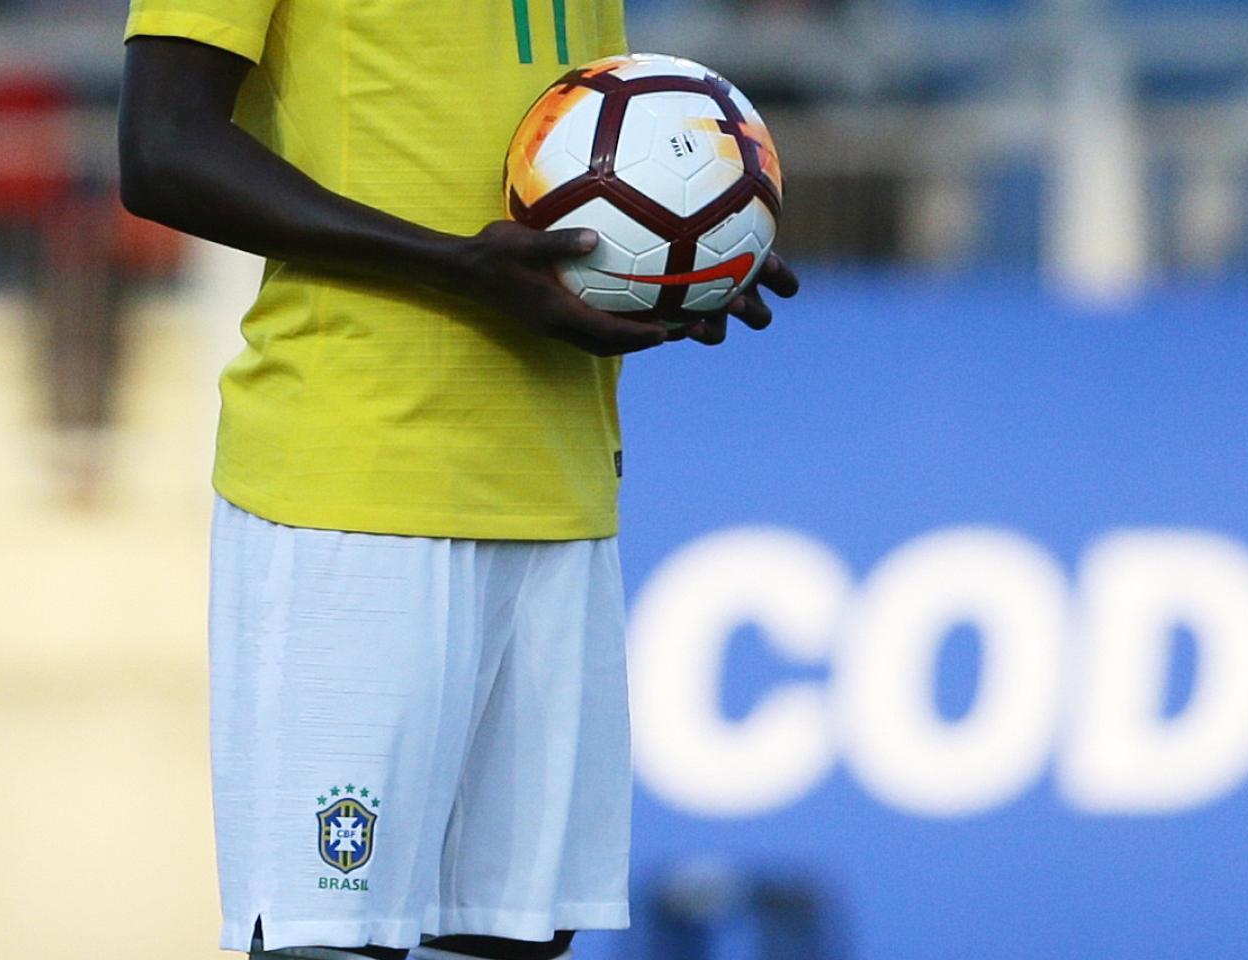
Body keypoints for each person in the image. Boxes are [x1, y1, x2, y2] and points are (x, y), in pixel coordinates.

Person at [117, 1, 798, 958]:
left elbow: (569, 140)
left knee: (508, 942)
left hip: (555, 478)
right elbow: (163, 149)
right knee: (334, 943)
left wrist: (687, 240)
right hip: (354, 482)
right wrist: (455, 267)